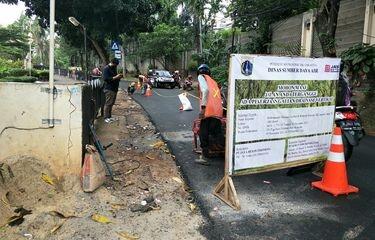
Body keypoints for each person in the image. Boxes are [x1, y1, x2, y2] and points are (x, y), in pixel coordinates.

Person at [195, 64, 224, 165]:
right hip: (217, 111)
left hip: (208, 110)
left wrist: (203, 108)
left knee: (203, 133)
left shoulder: (201, 77)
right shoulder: (213, 82)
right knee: (217, 133)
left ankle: (204, 157)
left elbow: (205, 90)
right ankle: (224, 152)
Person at [102, 58, 123, 123]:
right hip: (109, 89)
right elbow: (106, 79)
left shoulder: (113, 68)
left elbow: (115, 77)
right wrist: (115, 77)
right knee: (108, 103)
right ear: (112, 63)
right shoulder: (106, 69)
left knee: (111, 103)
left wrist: (119, 77)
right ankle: (106, 118)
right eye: (115, 64)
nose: (116, 66)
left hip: (114, 89)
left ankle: (109, 116)